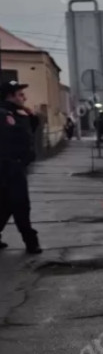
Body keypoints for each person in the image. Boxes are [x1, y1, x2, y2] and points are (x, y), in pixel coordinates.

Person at [0, 80, 42, 253]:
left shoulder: (14, 113)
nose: (24, 97)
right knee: (20, 205)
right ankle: (31, 242)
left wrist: (30, 116)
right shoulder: (5, 115)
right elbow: (16, 138)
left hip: (13, 167)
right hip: (9, 168)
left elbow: (30, 130)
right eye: (20, 94)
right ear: (10, 96)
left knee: (5, 205)